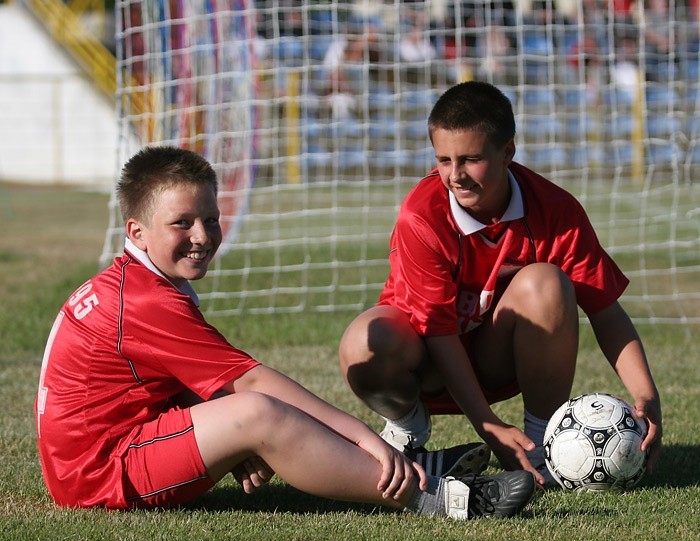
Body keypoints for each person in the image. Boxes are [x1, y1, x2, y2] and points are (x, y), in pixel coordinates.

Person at [34, 145, 535, 519]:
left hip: (108, 451)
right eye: (181, 223)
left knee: (245, 417)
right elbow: (251, 385)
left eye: (211, 218)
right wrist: (363, 436)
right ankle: (430, 497)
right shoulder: (142, 298)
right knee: (257, 411)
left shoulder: (133, 281)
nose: (203, 236)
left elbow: (159, 385)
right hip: (98, 476)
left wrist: (225, 444)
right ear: (135, 231)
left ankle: (410, 465)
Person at [338, 81, 663, 489]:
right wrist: (488, 425)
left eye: (471, 160)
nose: (455, 175)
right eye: (443, 160)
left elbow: (605, 310)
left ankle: (540, 443)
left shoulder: (555, 210)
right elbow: (437, 332)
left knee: (547, 283)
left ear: (507, 152)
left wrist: (648, 398)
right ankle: (407, 432)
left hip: (497, 358)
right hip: (426, 364)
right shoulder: (421, 215)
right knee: (363, 342)